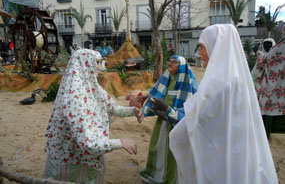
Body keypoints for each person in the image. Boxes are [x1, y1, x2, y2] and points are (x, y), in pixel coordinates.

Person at [169, 24, 278, 184]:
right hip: (237, 150)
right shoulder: (235, 77)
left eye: (202, 47)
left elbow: (201, 119)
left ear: (215, 46)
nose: (200, 53)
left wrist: (175, 129)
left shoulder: (218, 82)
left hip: (222, 155)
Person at [44, 49, 139, 183]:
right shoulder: (73, 96)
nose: (101, 67)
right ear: (85, 64)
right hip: (70, 158)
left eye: (101, 63)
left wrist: (132, 111)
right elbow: (87, 142)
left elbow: (111, 107)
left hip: (87, 155)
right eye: (97, 63)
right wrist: (120, 142)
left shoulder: (91, 87)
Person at [139, 55, 198, 184]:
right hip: (163, 124)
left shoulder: (189, 83)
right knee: (158, 150)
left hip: (178, 126)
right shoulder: (166, 79)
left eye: (174, 62)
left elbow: (190, 111)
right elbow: (155, 94)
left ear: (181, 66)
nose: (170, 64)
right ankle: (157, 175)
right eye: (169, 61)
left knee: (173, 154)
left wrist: (168, 111)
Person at [253, 38, 285, 138]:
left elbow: (268, 60)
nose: (267, 47)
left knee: (268, 114)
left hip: (274, 91)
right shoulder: (270, 54)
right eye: (265, 45)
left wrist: (257, 52)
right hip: (267, 91)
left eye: (269, 45)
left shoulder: (275, 53)